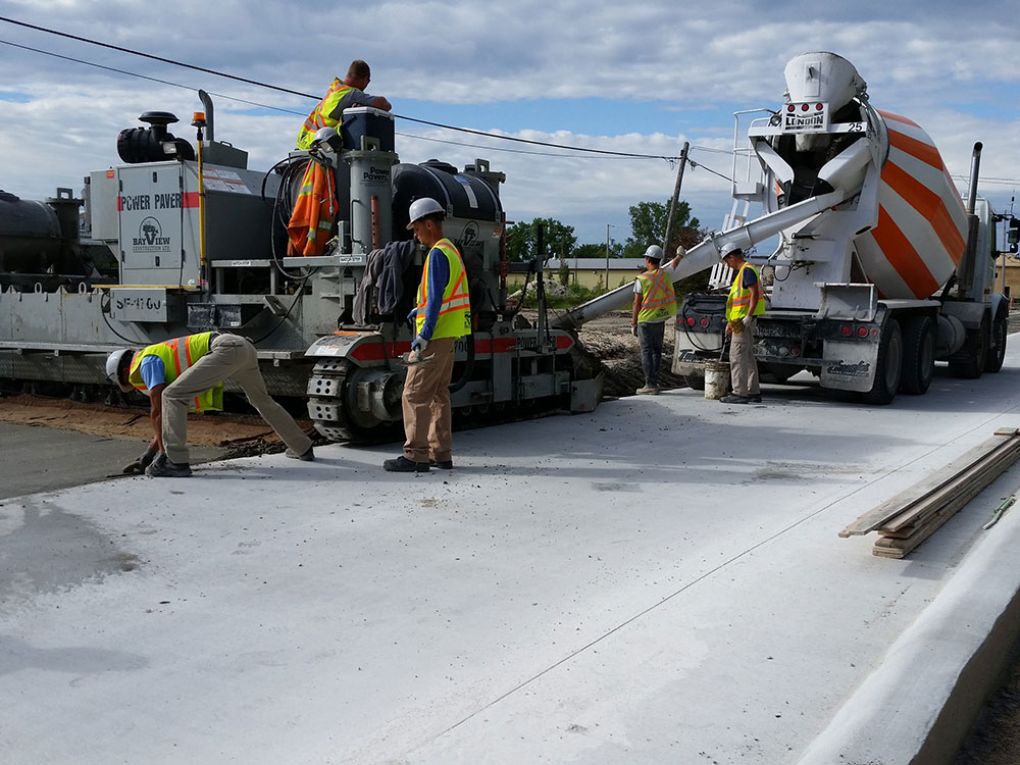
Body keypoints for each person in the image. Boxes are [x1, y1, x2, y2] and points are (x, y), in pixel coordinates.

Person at [105, 333, 314, 478]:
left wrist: (162, 454)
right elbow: (168, 417)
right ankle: (301, 447)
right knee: (262, 400)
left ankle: (175, 462)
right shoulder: (154, 354)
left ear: (123, 372)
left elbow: (158, 409)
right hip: (243, 347)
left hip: (226, 349)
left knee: (171, 396)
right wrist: (149, 454)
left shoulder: (145, 361)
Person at [384, 198, 471, 473]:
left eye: (416, 227)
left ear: (429, 224)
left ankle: (415, 455)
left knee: (413, 394)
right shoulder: (451, 251)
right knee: (438, 394)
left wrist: (423, 334)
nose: (414, 233)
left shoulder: (436, 254)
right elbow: (441, 298)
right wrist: (419, 309)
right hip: (447, 337)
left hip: (433, 338)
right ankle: (440, 453)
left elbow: (435, 300)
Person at [296, 60, 392, 150]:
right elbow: (385, 105)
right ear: (365, 80)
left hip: (306, 142)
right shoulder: (351, 94)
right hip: (319, 145)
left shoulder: (335, 90)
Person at [718, 243, 766, 404]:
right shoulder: (745, 271)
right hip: (739, 321)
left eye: (727, 261)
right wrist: (731, 323)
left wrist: (748, 316)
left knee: (737, 356)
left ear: (732, 256)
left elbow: (754, 294)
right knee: (747, 356)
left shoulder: (746, 270)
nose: (727, 264)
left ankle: (740, 392)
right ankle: (753, 391)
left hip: (743, 321)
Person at [631, 244, 677, 395]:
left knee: (646, 352)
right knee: (657, 352)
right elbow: (674, 265)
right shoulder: (664, 275)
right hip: (659, 319)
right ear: (659, 260)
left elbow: (636, 303)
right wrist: (680, 256)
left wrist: (633, 323)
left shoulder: (642, 279)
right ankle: (655, 383)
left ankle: (649, 385)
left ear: (648, 259)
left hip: (645, 321)